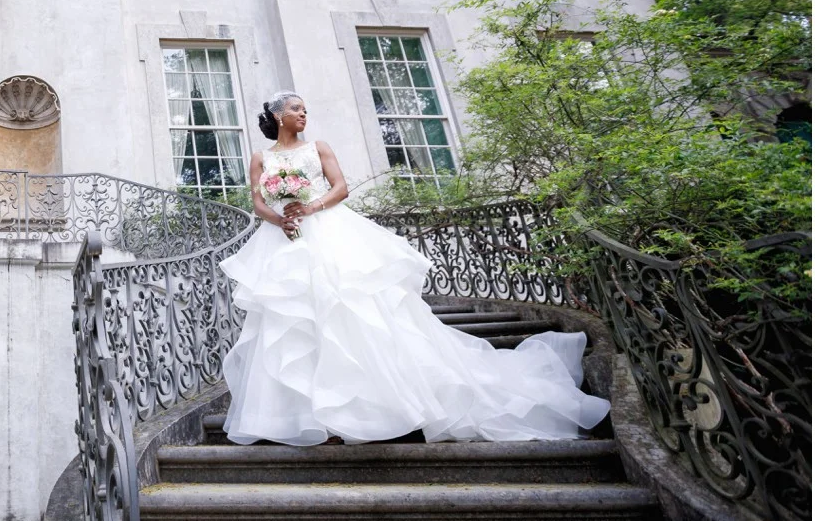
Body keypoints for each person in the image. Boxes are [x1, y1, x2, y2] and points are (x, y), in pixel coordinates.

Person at [219, 91, 610, 445]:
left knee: (347, 313)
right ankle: (305, 415)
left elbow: (340, 188)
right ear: (276, 114)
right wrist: (281, 220)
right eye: (295, 108)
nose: (304, 113)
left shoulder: (318, 147)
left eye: (306, 107)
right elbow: (258, 203)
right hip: (284, 242)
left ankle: (363, 408)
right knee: (294, 321)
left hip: (325, 231)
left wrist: (310, 208)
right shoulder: (261, 158)